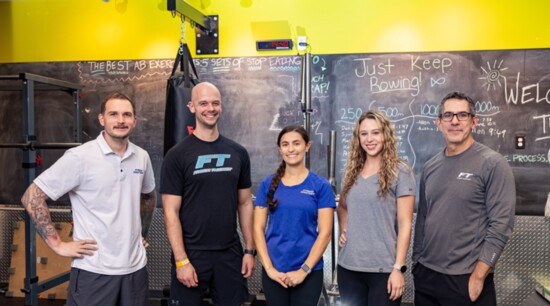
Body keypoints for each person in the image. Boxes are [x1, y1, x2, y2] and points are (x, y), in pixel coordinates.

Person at [20, 92, 157, 306]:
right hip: (94, 271)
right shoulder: (79, 157)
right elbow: (32, 197)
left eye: (126, 115)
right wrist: (58, 245)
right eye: (113, 114)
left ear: (135, 121)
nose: (120, 120)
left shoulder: (141, 156)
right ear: (102, 119)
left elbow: (148, 196)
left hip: (135, 271)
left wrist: (141, 233)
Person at [412, 91, 516, 306]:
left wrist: (479, 275)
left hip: (466, 279)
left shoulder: (493, 164)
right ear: (439, 123)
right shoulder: (430, 167)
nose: (455, 121)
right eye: (448, 115)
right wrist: (416, 263)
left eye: (462, 115)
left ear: (474, 122)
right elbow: (422, 217)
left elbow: (501, 224)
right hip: (427, 276)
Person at [160, 82, 255, 306]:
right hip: (192, 254)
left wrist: (250, 250)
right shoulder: (177, 156)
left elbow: (244, 204)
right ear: (191, 107)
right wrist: (181, 260)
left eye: (215, 103)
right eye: (203, 103)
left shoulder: (238, 153)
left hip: (229, 253)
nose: (210, 108)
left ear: (221, 106)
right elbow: (170, 212)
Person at [336, 110, 415, 306]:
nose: (369, 139)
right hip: (349, 268)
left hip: (384, 270)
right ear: (358, 137)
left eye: (376, 133)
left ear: (385, 135)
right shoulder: (352, 172)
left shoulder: (401, 172)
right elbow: (342, 206)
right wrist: (345, 228)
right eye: (364, 134)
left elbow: (405, 224)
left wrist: (398, 268)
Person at [253, 125, 336, 306]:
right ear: (279, 149)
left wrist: (303, 271)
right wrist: (269, 268)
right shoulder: (267, 184)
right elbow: (258, 229)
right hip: (274, 272)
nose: (291, 149)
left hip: (309, 272)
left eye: (296, 143)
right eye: (285, 144)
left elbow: (325, 233)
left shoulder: (320, 186)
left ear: (307, 146)